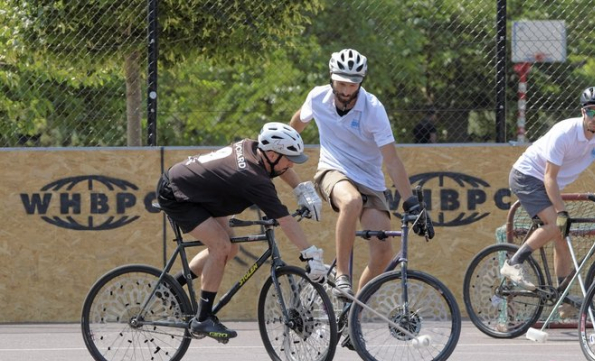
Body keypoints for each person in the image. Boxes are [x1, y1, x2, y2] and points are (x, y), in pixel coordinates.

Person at [155, 122, 326, 341]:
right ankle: (202, 319)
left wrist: (300, 188)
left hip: (200, 191)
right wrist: (309, 253)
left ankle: (171, 286)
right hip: (177, 193)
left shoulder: (255, 148)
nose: (291, 164)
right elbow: (284, 219)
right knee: (221, 246)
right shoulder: (252, 178)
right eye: (288, 158)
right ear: (272, 154)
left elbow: (282, 168)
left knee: (231, 248)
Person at [289, 48, 423, 318]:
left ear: (360, 82)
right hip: (332, 171)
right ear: (331, 78)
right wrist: (282, 152)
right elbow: (296, 124)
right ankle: (342, 276)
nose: (346, 90)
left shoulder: (373, 109)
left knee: (383, 252)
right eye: (341, 83)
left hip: (370, 180)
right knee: (350, 201)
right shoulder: (317, 98)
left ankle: (352, 315)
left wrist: (412, 203)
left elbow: (392, 161)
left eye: (352, 85)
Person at [500, 86, 595, 325]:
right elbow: (549, 177)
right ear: (582, 112)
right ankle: (513, 264)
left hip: (546, 182)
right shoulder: (564, 132)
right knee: (557, 224)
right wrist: (562, 211)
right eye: (591, 112)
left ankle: (562, 299)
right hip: (528, 176)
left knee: (562, 236)